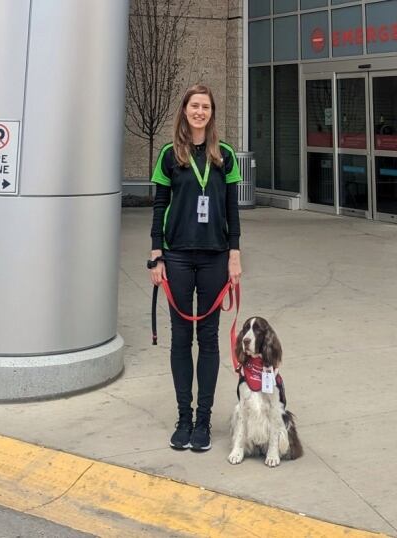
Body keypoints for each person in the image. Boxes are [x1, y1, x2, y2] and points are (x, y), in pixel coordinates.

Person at [148, 84, 242, 452]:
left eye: (205, 106)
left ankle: (204, 419)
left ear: (211, 113)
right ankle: (183, 418)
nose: (199, 112)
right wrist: (157, 255)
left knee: (208, 338)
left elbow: (233, 210)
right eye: (194, 106)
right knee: (181, 338)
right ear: (184, 111)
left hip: (216, 256)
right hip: (178, 256)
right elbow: (159, 206)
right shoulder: (171, 154)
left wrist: (235, 254)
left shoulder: (226, 155)